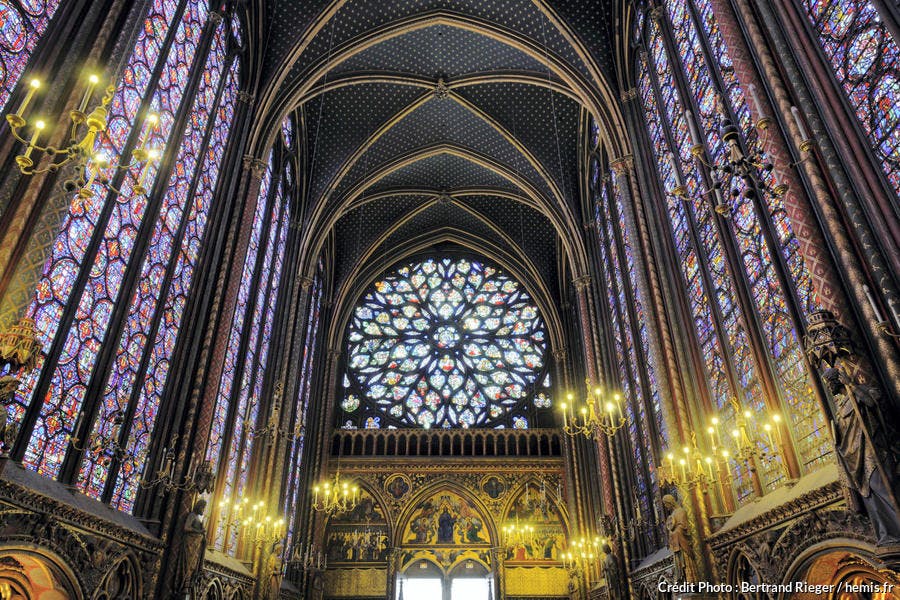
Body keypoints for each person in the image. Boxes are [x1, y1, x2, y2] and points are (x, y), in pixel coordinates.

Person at [823, 368, 900, 544]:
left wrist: (852, 385)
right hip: (855, 458)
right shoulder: (841, 407)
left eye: (829, 383)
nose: (828, 387)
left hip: (872, 451)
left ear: (838, 380)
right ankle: (887, 536)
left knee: (884, 488)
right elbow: (845, 434)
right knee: (870, 498)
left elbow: (872, 402)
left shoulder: (859, 392)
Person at [173, 499, 207, 597]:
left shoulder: (199, 518)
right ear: (199, 507)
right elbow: (186, 528)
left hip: (196, 546)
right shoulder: (192, 515)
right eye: (203, 508)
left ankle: (188, 584)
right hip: (189, 544)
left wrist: (203, 534)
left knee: (193, 565)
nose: (203, 510)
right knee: (187, 564)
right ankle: (183, 584)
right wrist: (199, 531)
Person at [662, 494, 697, 583]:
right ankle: (684, 581)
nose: (665, 506)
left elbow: (683, 527)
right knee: (679, 566)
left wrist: (673, 533)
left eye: (666, 504)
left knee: (686, 563)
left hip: (682, 544)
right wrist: (670, 532)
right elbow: (672, 527)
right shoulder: (673, 514)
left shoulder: (681, 511)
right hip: (677, 545)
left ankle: (691, 581)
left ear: (670, 502)